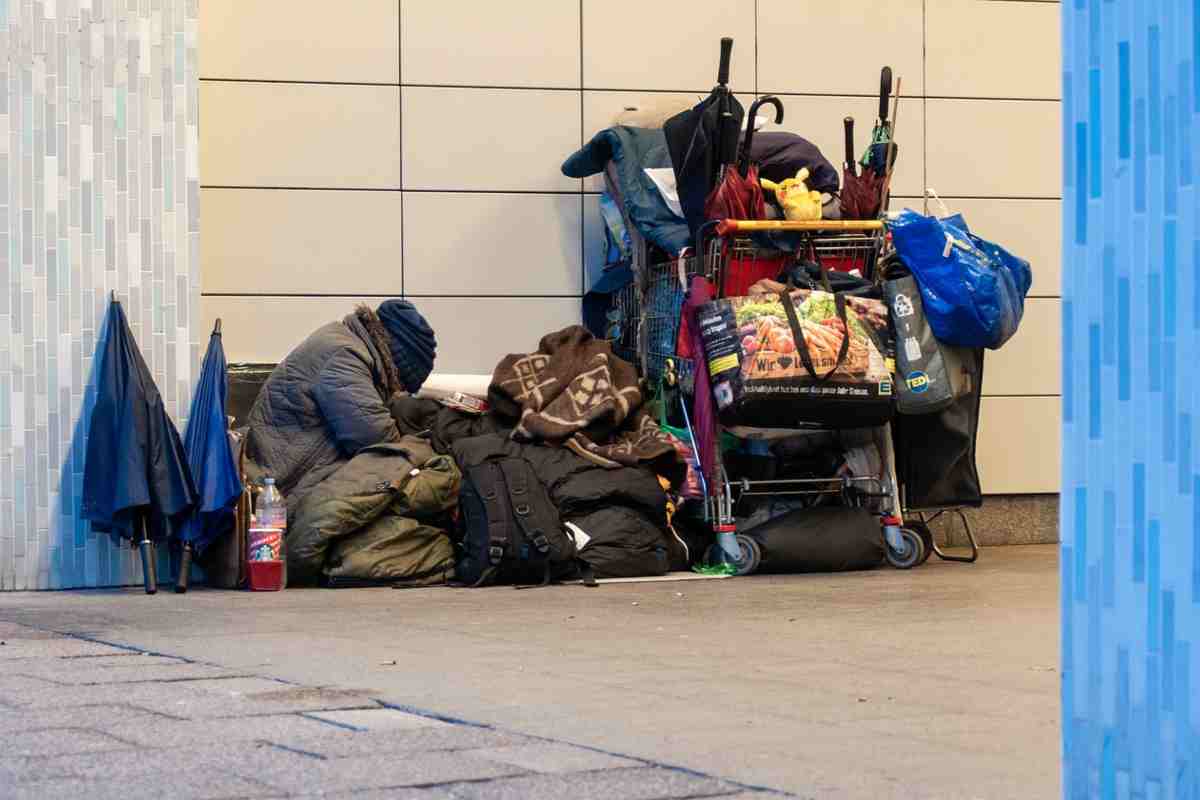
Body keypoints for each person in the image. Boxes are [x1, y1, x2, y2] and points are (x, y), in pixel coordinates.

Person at [244, 300, 436, 515]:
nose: (396, 392)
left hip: (289, 479)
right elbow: (379, 441)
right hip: (279, 490)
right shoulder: (344, 356)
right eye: (400, 386)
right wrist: (425, 448)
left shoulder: (346, 341)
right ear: (396, 366)